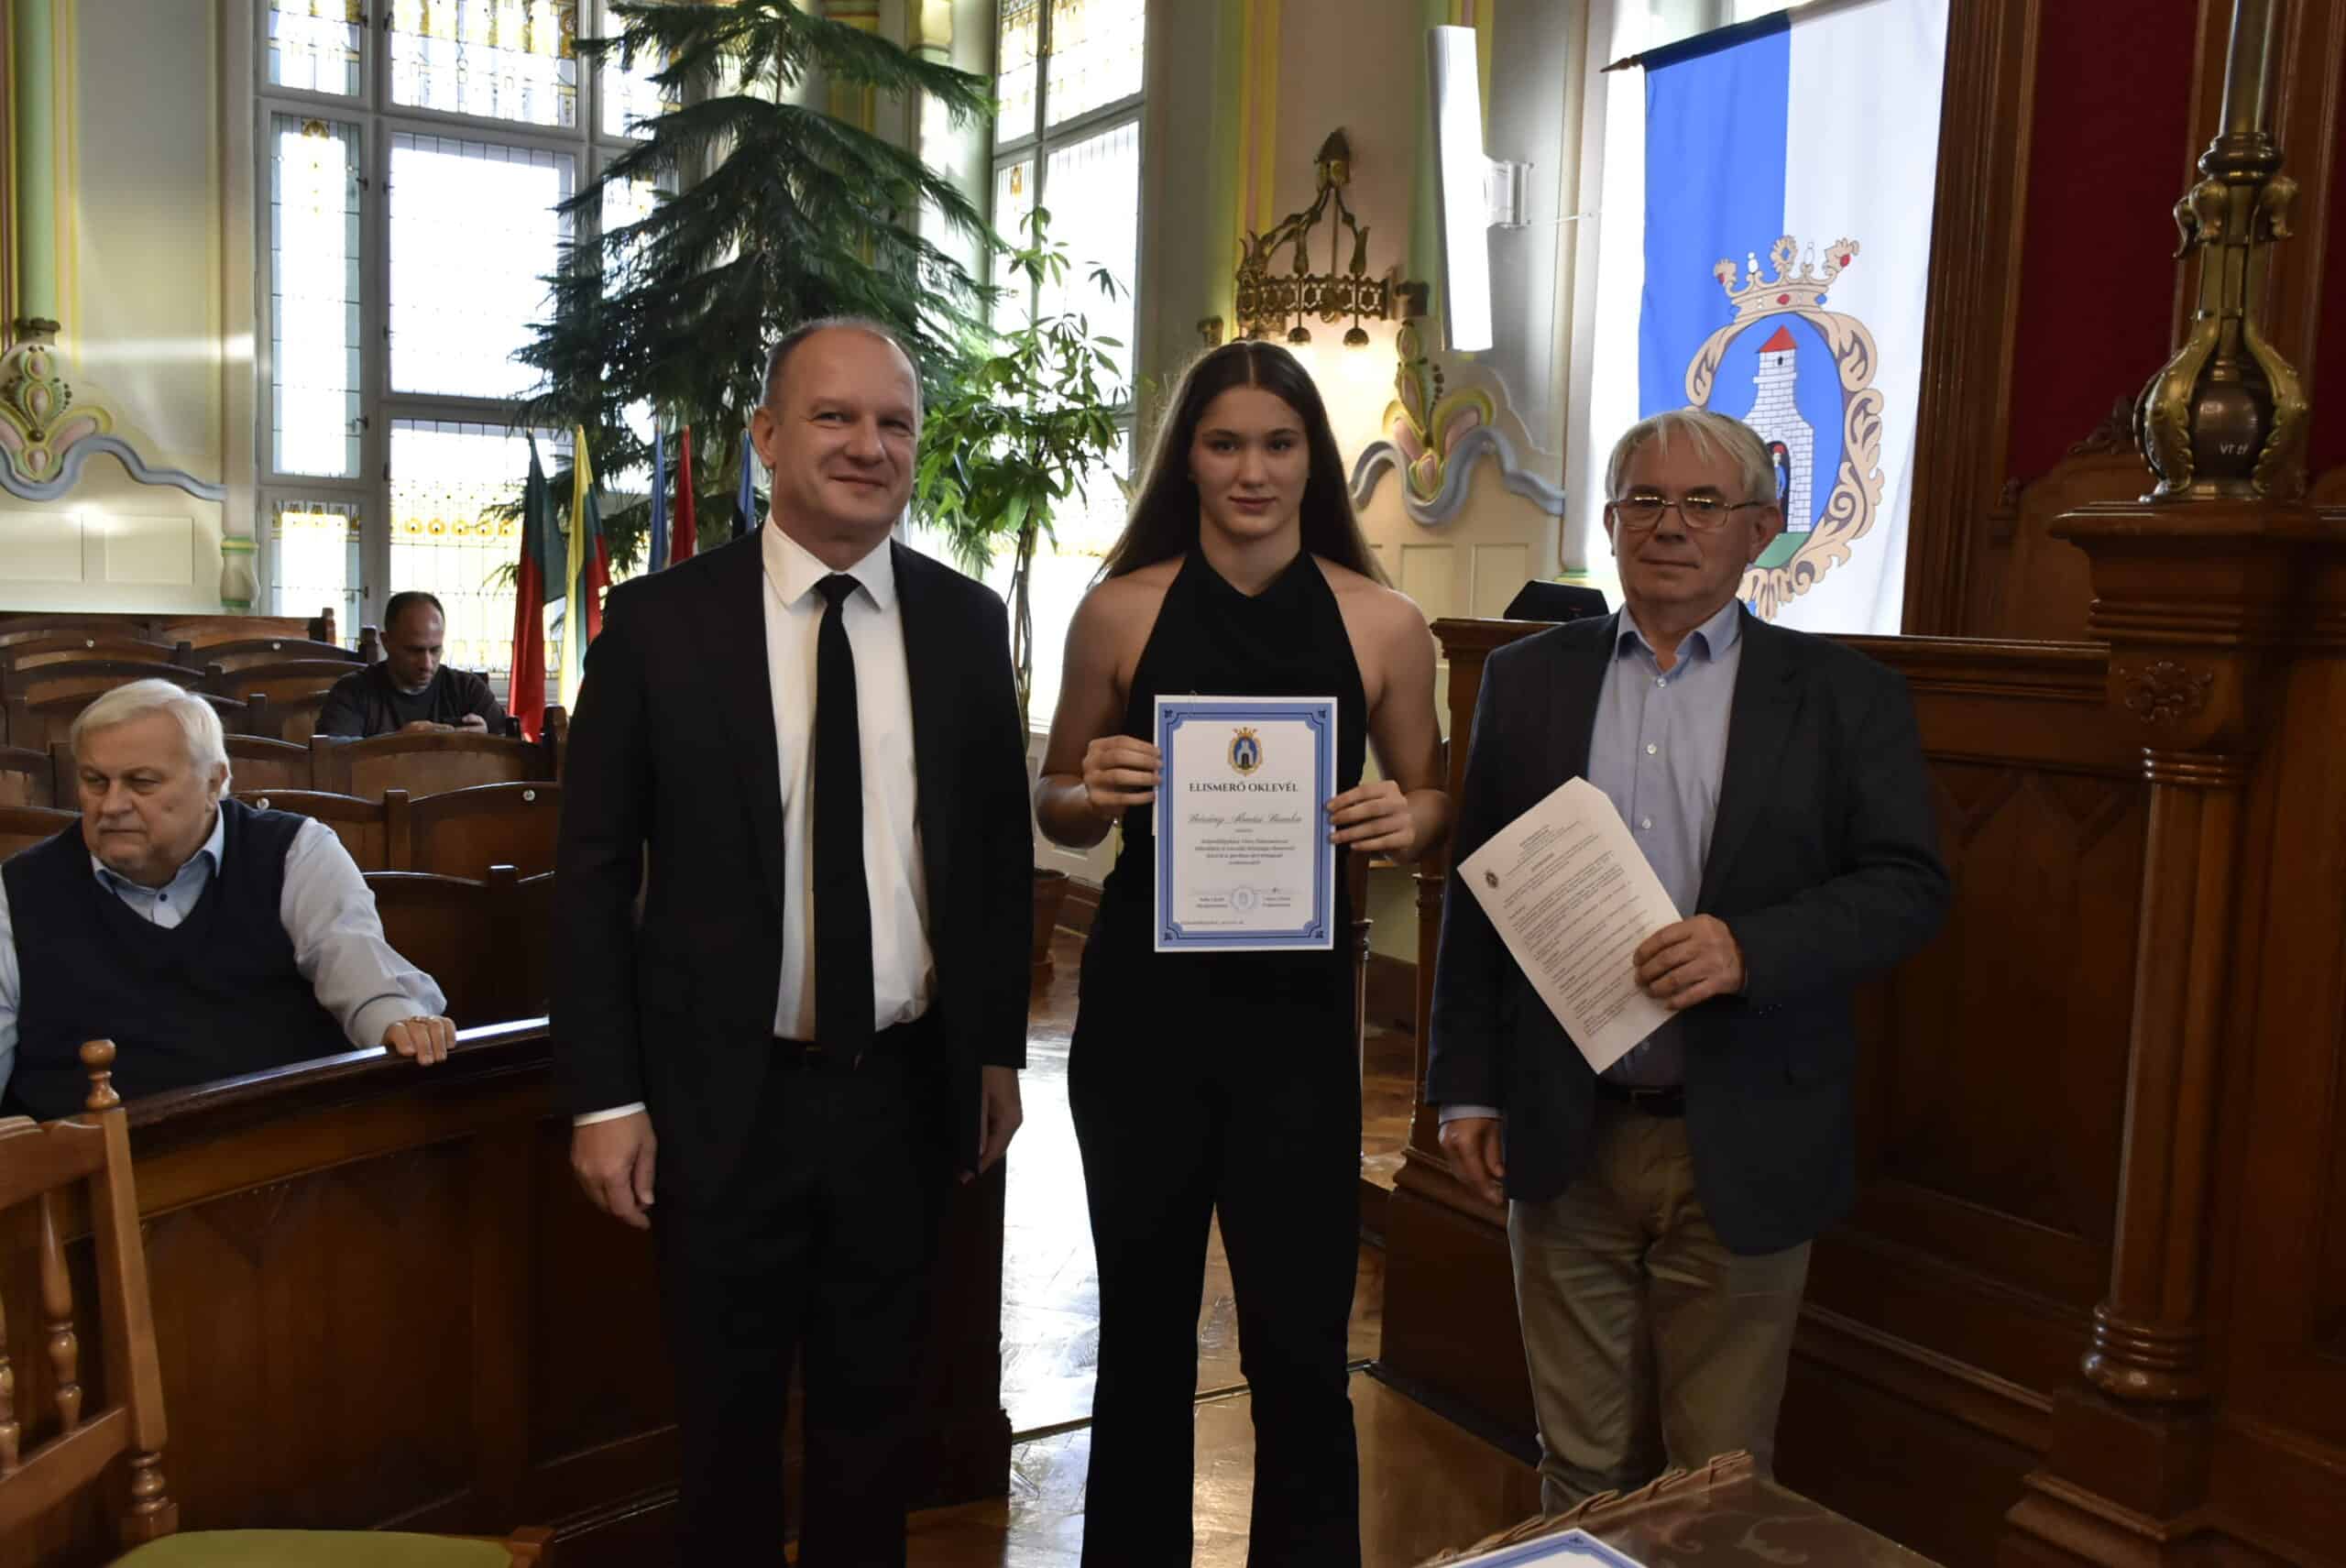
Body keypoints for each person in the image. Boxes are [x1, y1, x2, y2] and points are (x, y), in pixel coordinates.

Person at [554, 318, 1032, 1565]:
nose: (869, 445)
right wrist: (605, 1095)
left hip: (903, 1091)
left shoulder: (965, 624)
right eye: (835, 417)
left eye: (894, 422)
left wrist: (991, 1047)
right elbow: (591, 877)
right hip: (720, 1095)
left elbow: (990, 860)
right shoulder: (657, 625)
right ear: (766, 436)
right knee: (724, 1432)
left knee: (877, 1434)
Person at [1426, 408, 1951, 1510]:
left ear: (1759, 527)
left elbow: (1908, 888)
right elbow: (1481, 894)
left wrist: (1748, 947)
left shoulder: (1842, 695)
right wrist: (1465, 1086)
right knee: (1577, 1465)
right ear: (1610, 521)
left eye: (1703, 503)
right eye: (1646, 501)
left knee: (1715, 1479)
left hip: (1746, 1131)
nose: (1670, 526)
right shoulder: (1526, 678)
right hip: (1562, 1127)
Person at [1035, 339, 1450, 1567]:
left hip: (1299, 1022)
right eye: (1224, 443)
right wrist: (1093, 787)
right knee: (1143, 1337)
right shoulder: (1121, 608)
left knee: (1301, 1345)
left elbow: (1435, 798)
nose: (1252, 470)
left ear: (1315, 458)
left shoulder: (1384, 622)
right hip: (1141, 1018)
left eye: (1278, 443)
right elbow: (1055, 800)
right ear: (1188, 458)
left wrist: (1409, 818)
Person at [0, 679, 456, 1117]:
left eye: (142, 782)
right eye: (95, 781)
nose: (111, 805)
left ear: (213, 783)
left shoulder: (295, 851)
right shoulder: (19, 889)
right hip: (82, 1161)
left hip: (280, 1145)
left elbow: (360, 972)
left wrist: (399, 1025)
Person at [314, 590, 507, 737]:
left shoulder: (468, 689)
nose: (427, 664)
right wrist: (400, 743)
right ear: (386, 642)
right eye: (415, 651)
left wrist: (487, 745)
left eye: (435, 650)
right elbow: (332, 761)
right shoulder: (352, 692)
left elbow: (512, 751)